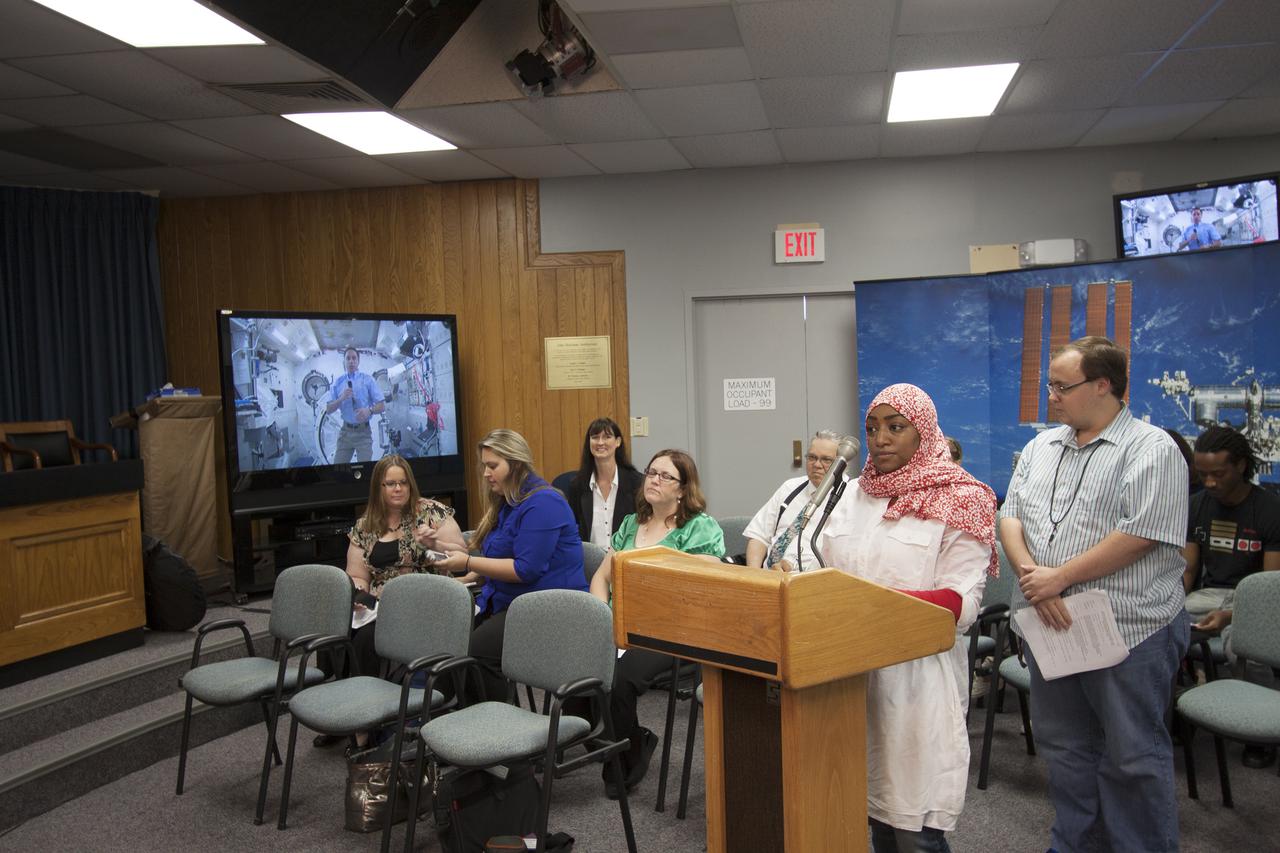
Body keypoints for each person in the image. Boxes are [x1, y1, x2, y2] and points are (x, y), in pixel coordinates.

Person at [1000, 336, 1190, 853]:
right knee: (1065, 751)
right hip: (1049, 621)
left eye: (1062, 387)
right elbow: (1010, 515)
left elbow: (1142, 533)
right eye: (1050, 386)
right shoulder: (1042, 446)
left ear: (1103, 385)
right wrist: (1032, 576)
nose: (1051, 397)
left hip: (1129, 628)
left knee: (1131, 757)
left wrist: (1058, 578)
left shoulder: (1152, 448)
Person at [815, 384, 995, 853]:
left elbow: (965, 602)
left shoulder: (963, 497)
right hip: (851, 674)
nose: (880, 439)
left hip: (918, 680)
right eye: (873, 427)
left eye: (896, 427)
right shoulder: (854, 493)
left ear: (924, 432)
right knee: (875, 816)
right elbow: (828, 567)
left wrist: (883, 604)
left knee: (915, 827)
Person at [588, 449, 725, 798]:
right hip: (621, 621)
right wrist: (601, 616)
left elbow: (705, 587)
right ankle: (632, 738)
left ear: (683, 489)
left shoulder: (699, 528)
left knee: (621, 681)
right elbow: (602, 577)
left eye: (666, 476)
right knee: (583, 666)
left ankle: (622, 761)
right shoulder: (631, 523)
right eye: (652, 473)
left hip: (671, 630)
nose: (654, 480)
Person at [317, 454, 464, 748]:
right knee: (339, 634)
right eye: (390, 484)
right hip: (379, 605)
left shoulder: (432, 513)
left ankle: (364, 726)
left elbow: (460, 557)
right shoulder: (366, 525)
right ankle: (349, 713)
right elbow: (357, 574)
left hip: (424, 600)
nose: (398, 489)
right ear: (379, 488)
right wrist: (359, 594)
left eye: (403, 482)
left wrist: (434, 543)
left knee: (365, 642)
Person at [434, 429, 586, 704]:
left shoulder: (544, 502)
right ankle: (467, 726)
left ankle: (504, 733)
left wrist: (468, 562)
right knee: (452, 646)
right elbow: (497, 556)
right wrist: (468, 573)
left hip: (550, 608)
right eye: (484, 466)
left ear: (515, 464)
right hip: (512, 602)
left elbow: (525, 570)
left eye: (493, 466)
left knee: (478, 653)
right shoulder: (509, 501)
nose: (485, 473)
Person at [1183, 425, 1280, 768]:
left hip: (1254, 599)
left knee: (1245, 643)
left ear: (1240, 466)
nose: (1209, 483)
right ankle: (1176, 706)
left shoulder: (1269, 510)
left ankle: (1259, 733)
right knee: (1160, 624)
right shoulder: (1197, 505)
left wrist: (1230, 616)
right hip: (1209, 593)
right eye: (1203, 475)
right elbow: (1188, 570)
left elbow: (1269, 589)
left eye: (1218, 474)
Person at [743, 429, 853, 573]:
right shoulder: (790, 487)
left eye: (826, 460)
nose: (817, 465)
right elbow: (758, 535)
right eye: (812, 457)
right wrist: (754, 574)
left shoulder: (851, 496)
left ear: (842, 464)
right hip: (769, 577)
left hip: (812, 582)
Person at [562, 417, 645, 548]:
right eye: (595, 437)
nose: (600, 442)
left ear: (618, 442)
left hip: (625, 560)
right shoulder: (577, 485)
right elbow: (572, 529)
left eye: (607, 437)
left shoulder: (637, 482)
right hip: (590, 563)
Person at [326, 346, 386, 463]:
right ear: (344, 362)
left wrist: (369, 410)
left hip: (364, 433)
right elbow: (328, 409)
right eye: (348, 358)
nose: (351, 361)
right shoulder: (338, 383)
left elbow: (382, 405)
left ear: (358, 361)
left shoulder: (368, 380)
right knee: (338, 470)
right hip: (345, 434)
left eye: (354, 358)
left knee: (365, 472)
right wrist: (341, 399)